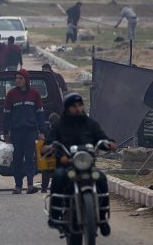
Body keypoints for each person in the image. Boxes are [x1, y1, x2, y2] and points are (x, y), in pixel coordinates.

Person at [44, 93, 116, 235]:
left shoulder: (91, 124)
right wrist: (49, 148)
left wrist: (109, 143)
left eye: (79, 105)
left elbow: (102, 138)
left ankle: (102, 216)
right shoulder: (59, 125)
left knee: (101, 178)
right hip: (66, 166)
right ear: (67, 108)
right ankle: (55, 214)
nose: (77, 108)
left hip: (87, 166)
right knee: (58, 177)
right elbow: (49, 143)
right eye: (73, 106)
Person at [3, 69, 46, 194]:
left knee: (29, 159)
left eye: (20, 78)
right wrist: (6, 132)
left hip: (30, 132)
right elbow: (6, 115)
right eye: (16, 78)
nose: (18, 80)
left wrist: (42, 131)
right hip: (16, 132)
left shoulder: (35, 94)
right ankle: (18, 186)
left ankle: (30, 185)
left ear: (26, 80)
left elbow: (40, 114)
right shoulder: (11, 94)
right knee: (17, 159)